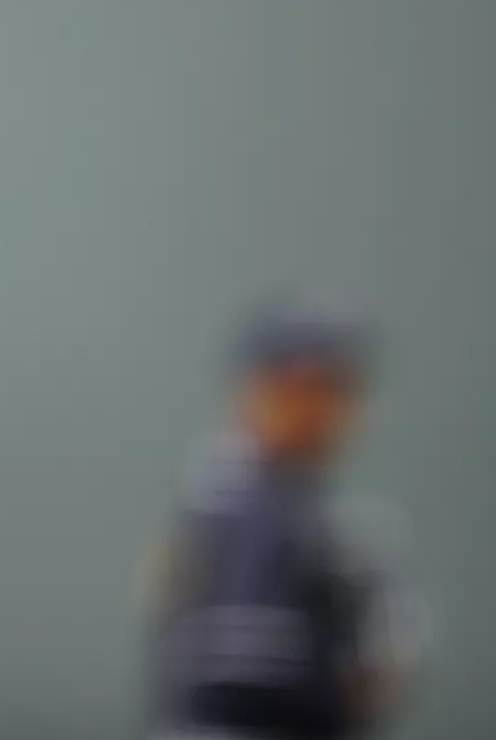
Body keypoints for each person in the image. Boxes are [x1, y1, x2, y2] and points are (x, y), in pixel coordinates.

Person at [146, 293, 424, 740]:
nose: (312, 408)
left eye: (332, 388)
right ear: (247, 393)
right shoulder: (238, 511)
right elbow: (242, 694)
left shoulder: (328, 524)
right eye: (291, 387)